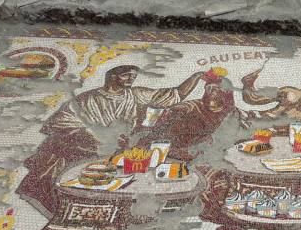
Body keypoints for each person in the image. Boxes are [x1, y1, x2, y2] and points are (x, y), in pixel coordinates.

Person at [16, 65, 205, 216]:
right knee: (67, 178)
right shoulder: (86, 99)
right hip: (88, 151)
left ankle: (117, 215)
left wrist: (196, 77)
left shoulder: (135, 94)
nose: (131, 79)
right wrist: (98, 137)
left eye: (133, 76)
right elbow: (60, 124)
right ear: (112, 76)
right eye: (126, 75)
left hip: (120, 152)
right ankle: (75, 216)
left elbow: (172, 95)